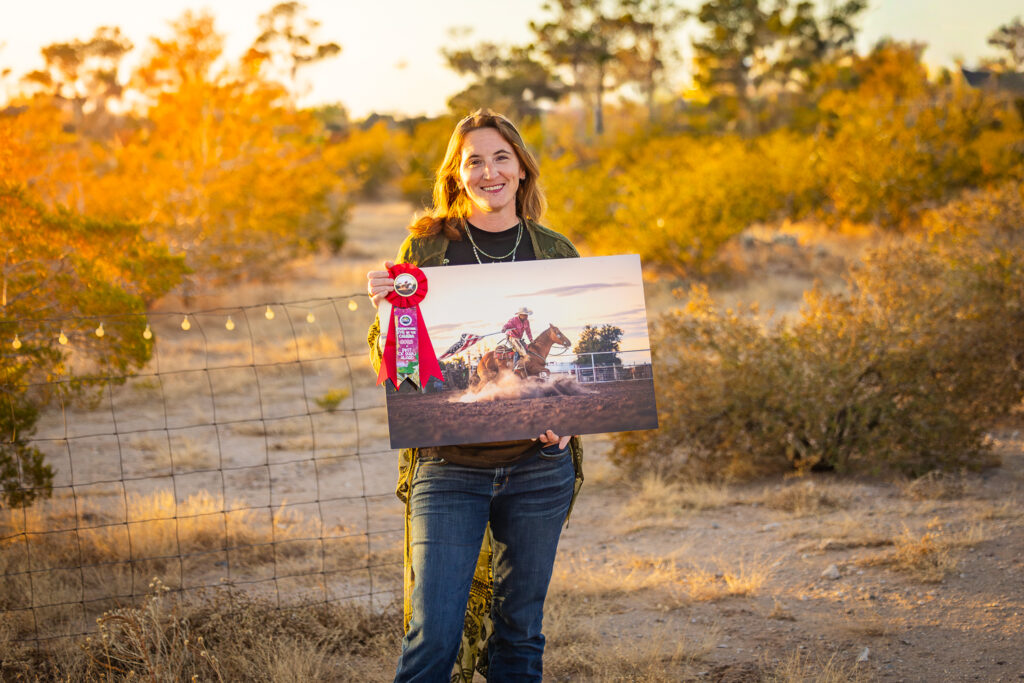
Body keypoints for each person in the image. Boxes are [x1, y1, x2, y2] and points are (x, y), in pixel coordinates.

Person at [366, 109, 583, 683]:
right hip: (448, 467)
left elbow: (577, 357)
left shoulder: (554, 249)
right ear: (457, 175)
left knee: (520, 634)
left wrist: (569, 422)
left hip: (539, 468)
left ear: (521, 170)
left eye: (501, 158)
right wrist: (385, 316)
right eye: (475, 162)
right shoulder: (426, 250)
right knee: (431, 637)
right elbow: (401, 372)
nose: (489, 172)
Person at [501, 306, 533, 373]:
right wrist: (504, 328)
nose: (527, 316)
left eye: (527, 315)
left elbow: (528, 331)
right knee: (519, 349)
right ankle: (516, 366)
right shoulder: (513, 320)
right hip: (511, 337)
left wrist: (531, 340)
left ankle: (524, 365)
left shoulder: (526, 322)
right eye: (525, 315)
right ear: (520, 315)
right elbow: (508, 325)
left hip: (518, 338)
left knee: (526, 348)